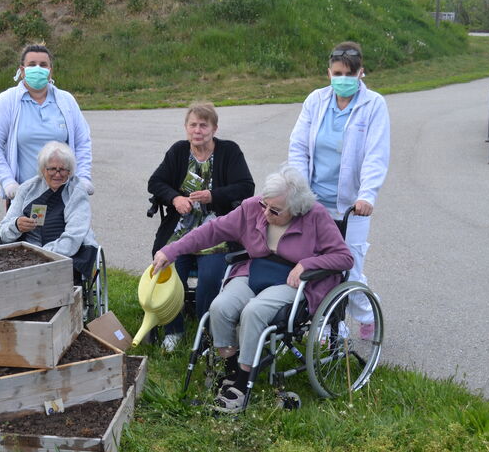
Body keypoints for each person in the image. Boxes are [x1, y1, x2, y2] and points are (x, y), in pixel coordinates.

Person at [151, 167, 353, 412]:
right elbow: (211, 231)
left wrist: (307, 264)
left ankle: (242, 383)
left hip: (292, 281)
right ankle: (230, 370)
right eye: (264, 205)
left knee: (254, 311)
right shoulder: (252, 207)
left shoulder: (316, 216)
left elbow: (344, 258)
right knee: (220, 306)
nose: (266, 213)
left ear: (296, 209)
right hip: (254, 271)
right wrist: (169, 251)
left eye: (275, 210)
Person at [288, 41, 390, 340]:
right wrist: (299, 188)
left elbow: (376, 154)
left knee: (350, 270)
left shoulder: (374, 105)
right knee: (320, 266)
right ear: (328, 72)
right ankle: (335, 324)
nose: (342, 79)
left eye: (349, 73)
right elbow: (299, 146)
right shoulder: (316, 101)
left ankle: (369, 313)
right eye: (336, 73)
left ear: (361, 73)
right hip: (315, 201)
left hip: (351, 205)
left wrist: (367, 195)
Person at [147, 102, 254, 352]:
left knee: (210, 279)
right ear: (186, 128)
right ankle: (173, 330)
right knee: (169, 275)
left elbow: (246, 187)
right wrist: (175, 198)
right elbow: (156, 182)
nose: (198, 130)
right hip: (181, 232)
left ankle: (206, 333)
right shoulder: (178, 152)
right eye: (193, 125)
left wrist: (213, 196)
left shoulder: (229, 151)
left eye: (203, 125)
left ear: (214, 128)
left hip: (217, 234)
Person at [0, 44, 93, 208]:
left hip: (64, 196)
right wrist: (7, 181)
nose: (38, 69)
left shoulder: (66, 101)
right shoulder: (6, 101)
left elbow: (82, 141)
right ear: (22, 70)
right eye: (32, 64)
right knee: (27, 233)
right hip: (24, 196)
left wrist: (84, 178)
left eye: (43, 65)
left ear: (50, 70)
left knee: (67, 234)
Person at [0, 141, 97, 280]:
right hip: (26, 253)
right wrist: (16, 225)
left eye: (63, 169)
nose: (57, 174)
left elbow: (74, 236)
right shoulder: (27, 188)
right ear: (43, 169)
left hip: (63, 255)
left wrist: (41, 255)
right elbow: (3, 228)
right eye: (52, 169)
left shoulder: (76, 191)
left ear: (70, 171)